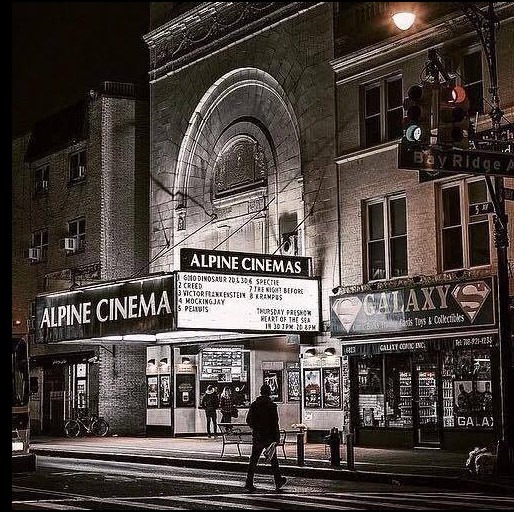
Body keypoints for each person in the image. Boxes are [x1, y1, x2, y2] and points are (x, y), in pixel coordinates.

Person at [244, 383, 287, 492]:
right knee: (274, 460)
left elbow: (249, 420)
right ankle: (278, 480)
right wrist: (277, 438)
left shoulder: (254, 405)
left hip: (258, 436)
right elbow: (275, 423)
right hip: (269, 437)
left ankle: (249, 482)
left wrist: (256, 427)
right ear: (269, 393)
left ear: (261, 392)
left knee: (253, 460)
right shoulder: (272, 406)